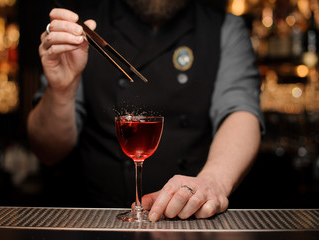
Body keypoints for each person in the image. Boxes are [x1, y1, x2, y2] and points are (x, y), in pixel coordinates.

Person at [27, 0, 264, 222]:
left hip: (190, 220)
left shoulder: (225, 27)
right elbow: (48, 150)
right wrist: (61, 90)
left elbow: (241, 112)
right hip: (99, 220)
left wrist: (213, 182)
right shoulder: (83, 30)